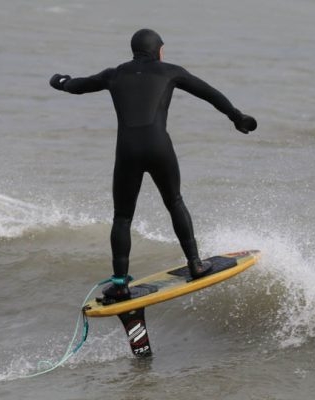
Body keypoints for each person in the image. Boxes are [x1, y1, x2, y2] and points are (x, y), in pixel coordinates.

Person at [49, 29, 257, 301]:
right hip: (159, 147)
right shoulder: (169, 71)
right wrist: (236, 117)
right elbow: (209, 93)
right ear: (158, 50)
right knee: (174, 202)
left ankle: (120, 283)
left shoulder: (115, 74)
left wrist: (60, 81)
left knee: (122, 218)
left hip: (127, 152)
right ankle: (195, 264)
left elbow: (79, 86)